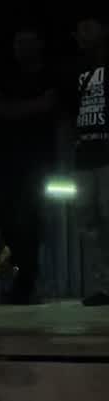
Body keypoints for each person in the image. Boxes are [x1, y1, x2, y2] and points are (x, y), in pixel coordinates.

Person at [0, 28, 57, 303]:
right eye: (18, 42)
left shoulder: (50, 74)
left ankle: (26, 283)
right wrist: (32, 106)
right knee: (2, 216)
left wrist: (11, 109)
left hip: (36, 161)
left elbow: (51, 105)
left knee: (29, 220)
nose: (22, 47)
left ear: (39, 44)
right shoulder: (4, 74)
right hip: (5, 159)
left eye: (28, 41)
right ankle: (22, 277)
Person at [74, 18, 109, 306]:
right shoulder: (74, 69)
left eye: (90, 26)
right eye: (81, 29)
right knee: (89, 222)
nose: (85, 33)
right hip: (84, 154)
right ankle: (103, 286)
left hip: (106, 152)